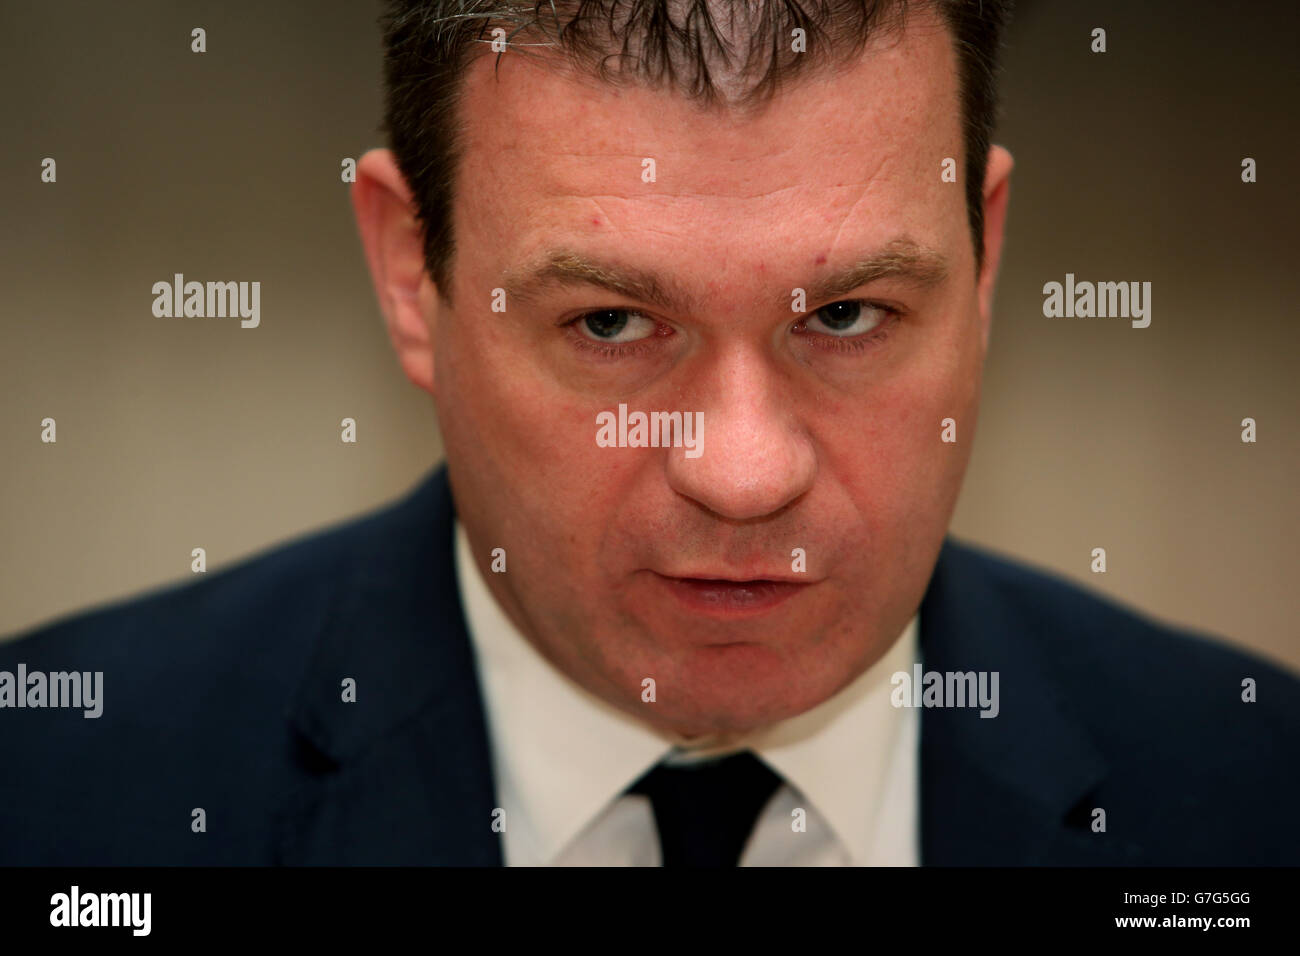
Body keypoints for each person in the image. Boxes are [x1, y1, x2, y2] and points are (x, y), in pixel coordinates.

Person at [2, 0, 1296, 866]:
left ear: (988, 252)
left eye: (845, 314)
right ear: (412, 274)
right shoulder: (53, 800)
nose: (744, 476)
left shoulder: (1253, 795)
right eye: (614, 325)